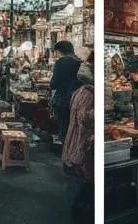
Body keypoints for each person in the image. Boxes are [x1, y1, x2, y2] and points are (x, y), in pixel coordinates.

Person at [62, 61, 95, 224]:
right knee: (79, 192)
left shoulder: (81, 91)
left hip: (77, 148)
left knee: (78, 190)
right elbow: (84, 118)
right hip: (80, 149)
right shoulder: (88, 93)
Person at [50, 40, 83, 145]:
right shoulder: (79, 61)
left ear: (59, 51)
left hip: (62, 100)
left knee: (63, 128)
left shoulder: (61, 62)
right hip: (78, 99)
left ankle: (65, 152)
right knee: (74, 129)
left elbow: (54, 83)